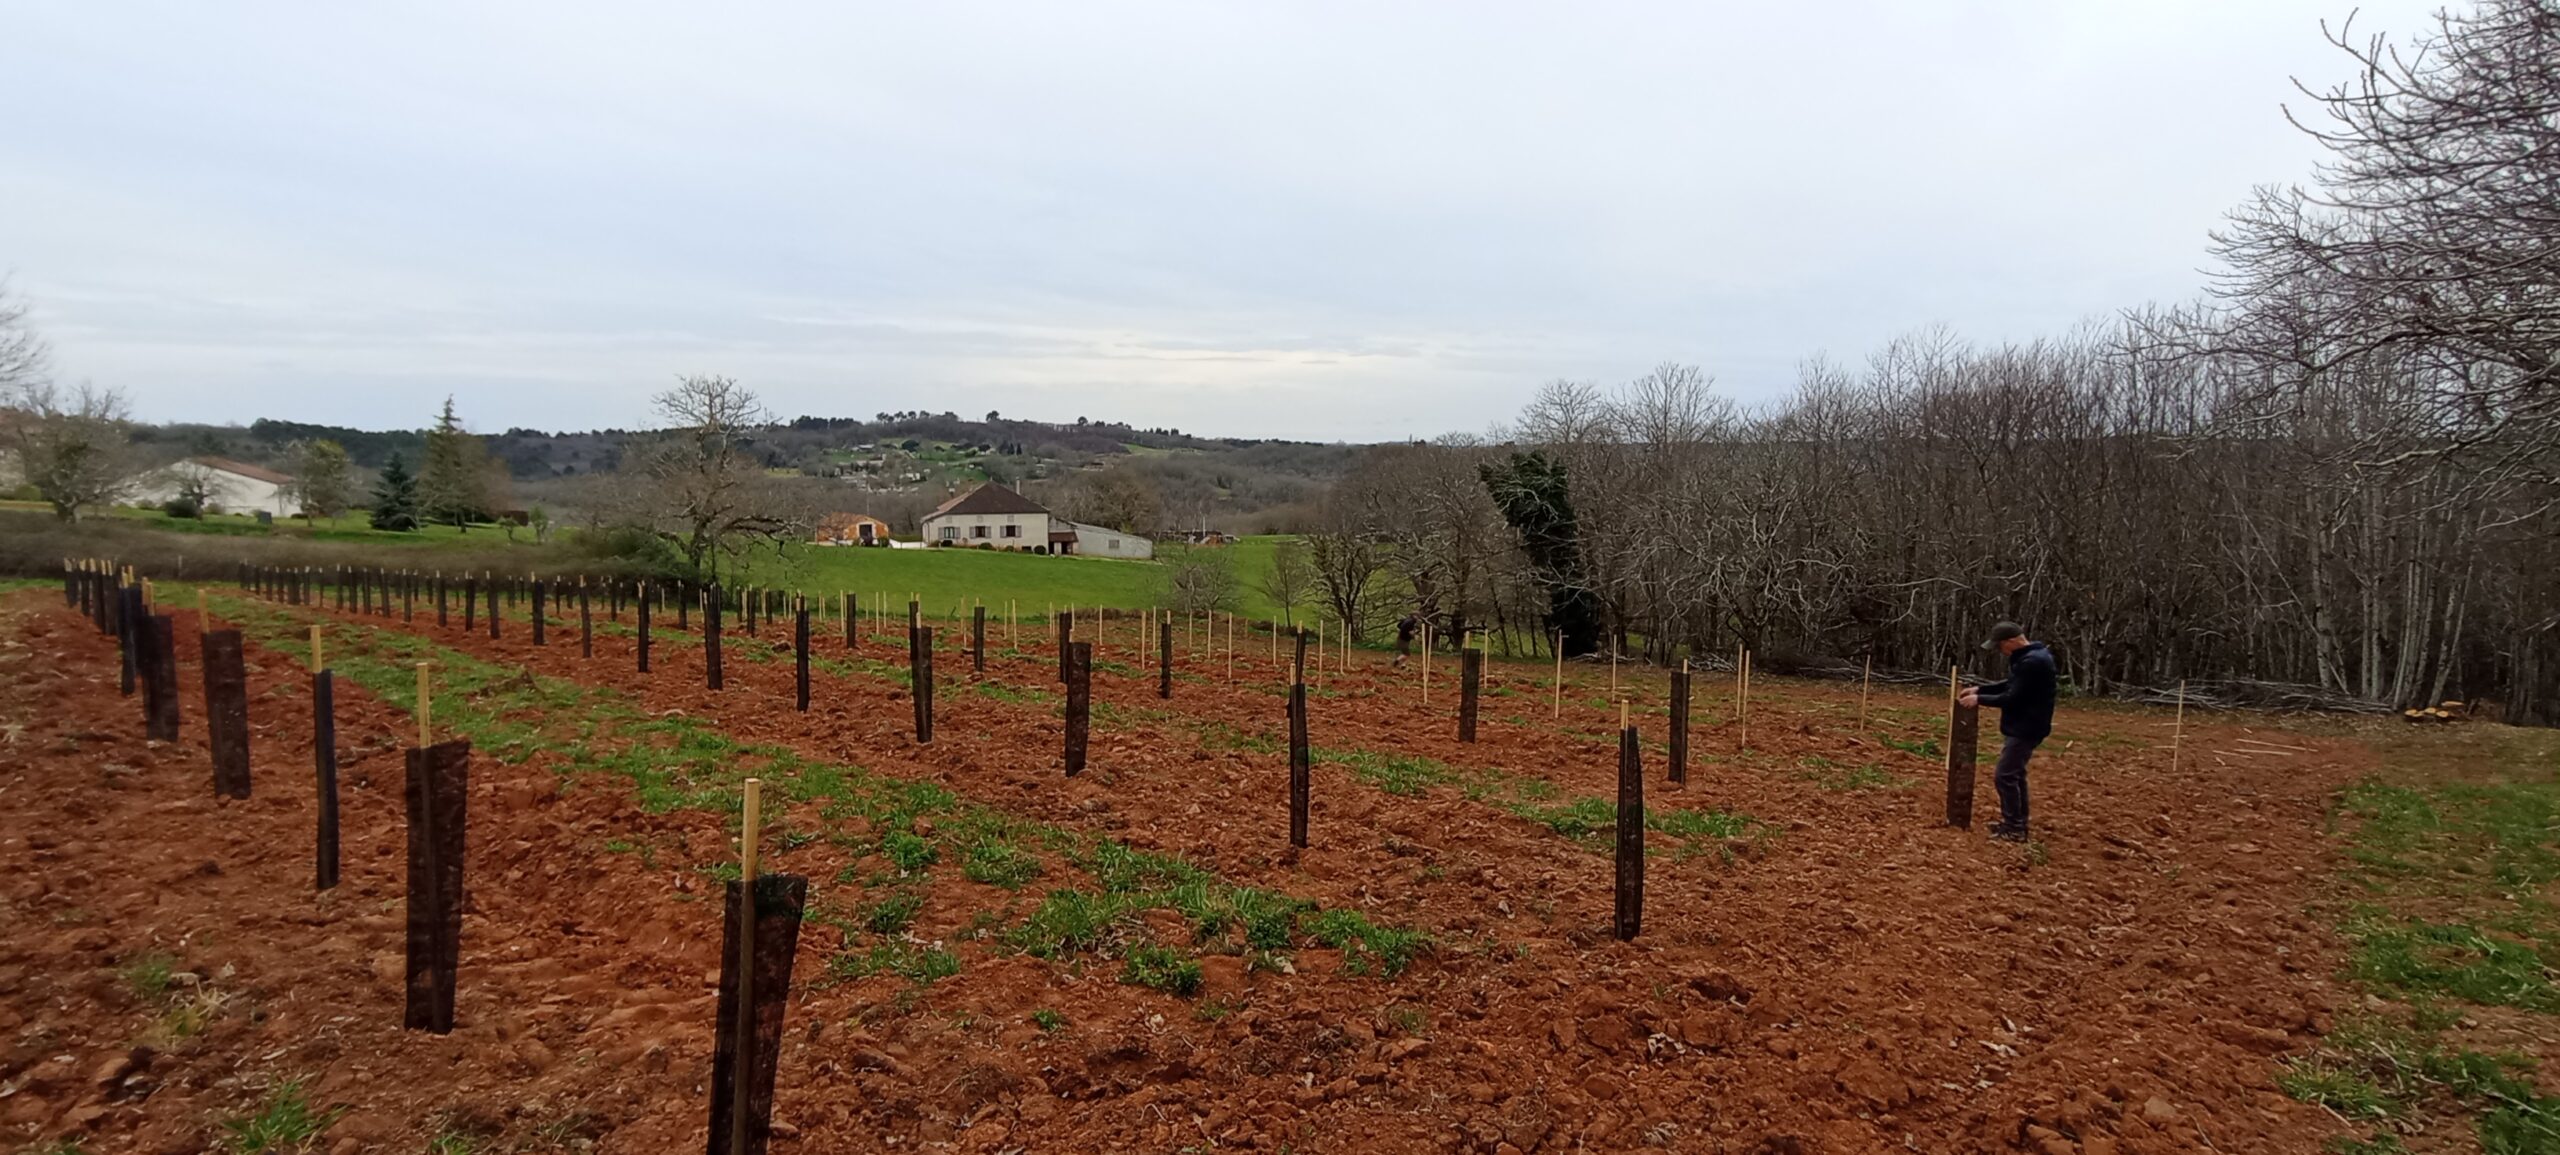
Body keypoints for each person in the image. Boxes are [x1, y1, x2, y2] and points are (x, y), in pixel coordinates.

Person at [1959, 622, 2055, 842]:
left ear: (2011, 641)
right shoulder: (2031, 657)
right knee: (2015, 775)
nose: (2000, 651)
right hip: (2026, 725)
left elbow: (2012, 697)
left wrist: (1979, 699)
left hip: (2026, 727)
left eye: (2000, 645)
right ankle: (2017, 823)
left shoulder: (2033, 662)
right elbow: (2013, 684)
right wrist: (1980, 689)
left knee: (2005, 775)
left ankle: (2014, 828)